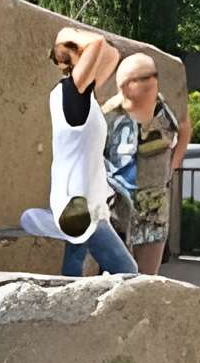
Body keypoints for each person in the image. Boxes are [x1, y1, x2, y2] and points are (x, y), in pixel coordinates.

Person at [21, 27, 137, 279]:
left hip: (84, 199)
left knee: (74, 264)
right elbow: (97, 43)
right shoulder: (72, 94)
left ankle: (52, 223)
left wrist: (75, 42)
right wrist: (67, 33)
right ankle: (50, 222)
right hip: (80, 205)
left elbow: (111, 54)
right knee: (127, 270)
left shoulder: (83, 96)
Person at [103, 52, 189, 275]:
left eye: (150, 79)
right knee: (118, 274)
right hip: (118, 206)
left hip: (154, 205)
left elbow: (185, 128)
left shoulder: (165, 109)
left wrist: (173, 166)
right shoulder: (109, 114)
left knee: (148, 277)